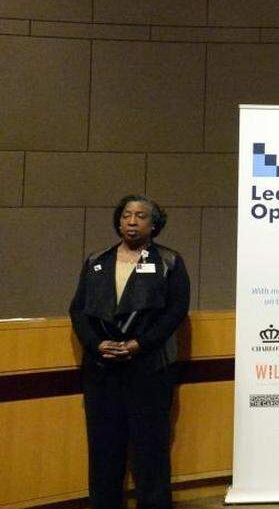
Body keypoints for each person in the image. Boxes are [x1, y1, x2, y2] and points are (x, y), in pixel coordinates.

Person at [69, 195, 190, 509]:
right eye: (126, 216)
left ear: (154, 224)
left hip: (149, 369)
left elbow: (175, 312)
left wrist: (140, 344)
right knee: (104, 448)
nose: (132, 222)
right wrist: (96, 344)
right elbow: (78, 311)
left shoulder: (169, 261)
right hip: (102, 369)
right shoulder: (97, 260)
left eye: (140, 216)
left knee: (150, 449)